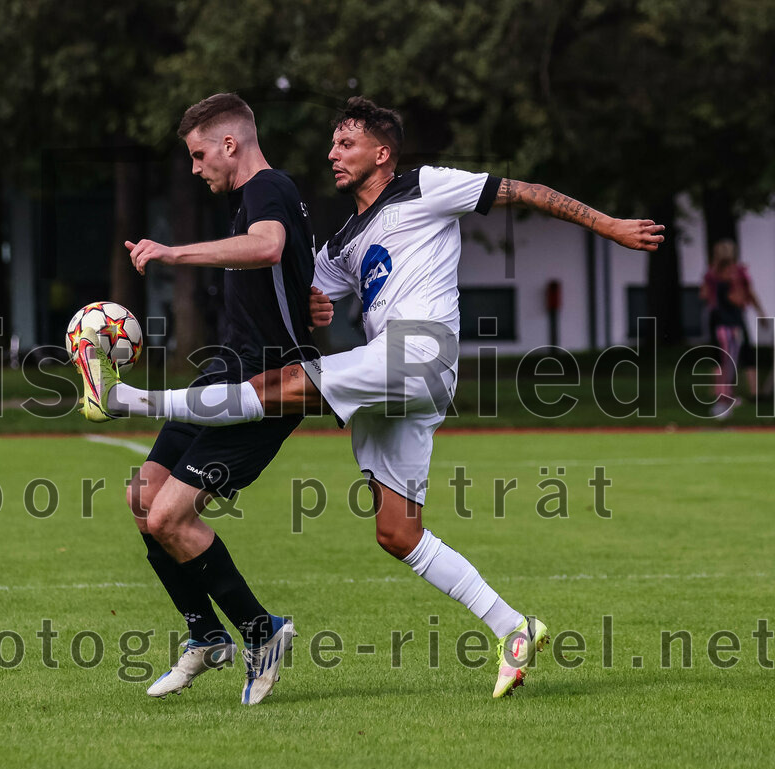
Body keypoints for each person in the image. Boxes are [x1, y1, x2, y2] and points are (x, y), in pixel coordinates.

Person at [80, 97, 665, 698]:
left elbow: (527, 191)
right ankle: (513, 627)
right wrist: (316, 301)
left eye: (346, 144)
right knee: (397, 532)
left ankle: (125, 398)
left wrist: (611, 226)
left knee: (275, 388)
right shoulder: (346, 242)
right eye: (332, 144)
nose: (332, 154)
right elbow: (308, 287)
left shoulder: (425, 186)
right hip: (399, 384)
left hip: (417, 352)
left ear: (381, 153)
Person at [75, 93, 317, 705]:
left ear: (230, 144)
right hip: (229, 370)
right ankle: (207, 635)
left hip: (269, 387)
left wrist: (171, 254)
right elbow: (288, 270)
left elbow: (267, 246)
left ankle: (264, 633)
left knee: (168, 517)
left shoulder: (268, 188)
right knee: (142, 500)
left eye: (199, 153)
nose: (194, 166)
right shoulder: (257, 199)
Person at [700, 240, 764, 417]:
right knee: (730, 361)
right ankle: (724, 400)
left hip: (720, 323)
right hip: (730, 326)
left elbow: (704, 294)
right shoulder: (734, 275)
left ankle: (723, 397)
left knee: (723, 361)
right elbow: (739, 299)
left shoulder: (712, 275)